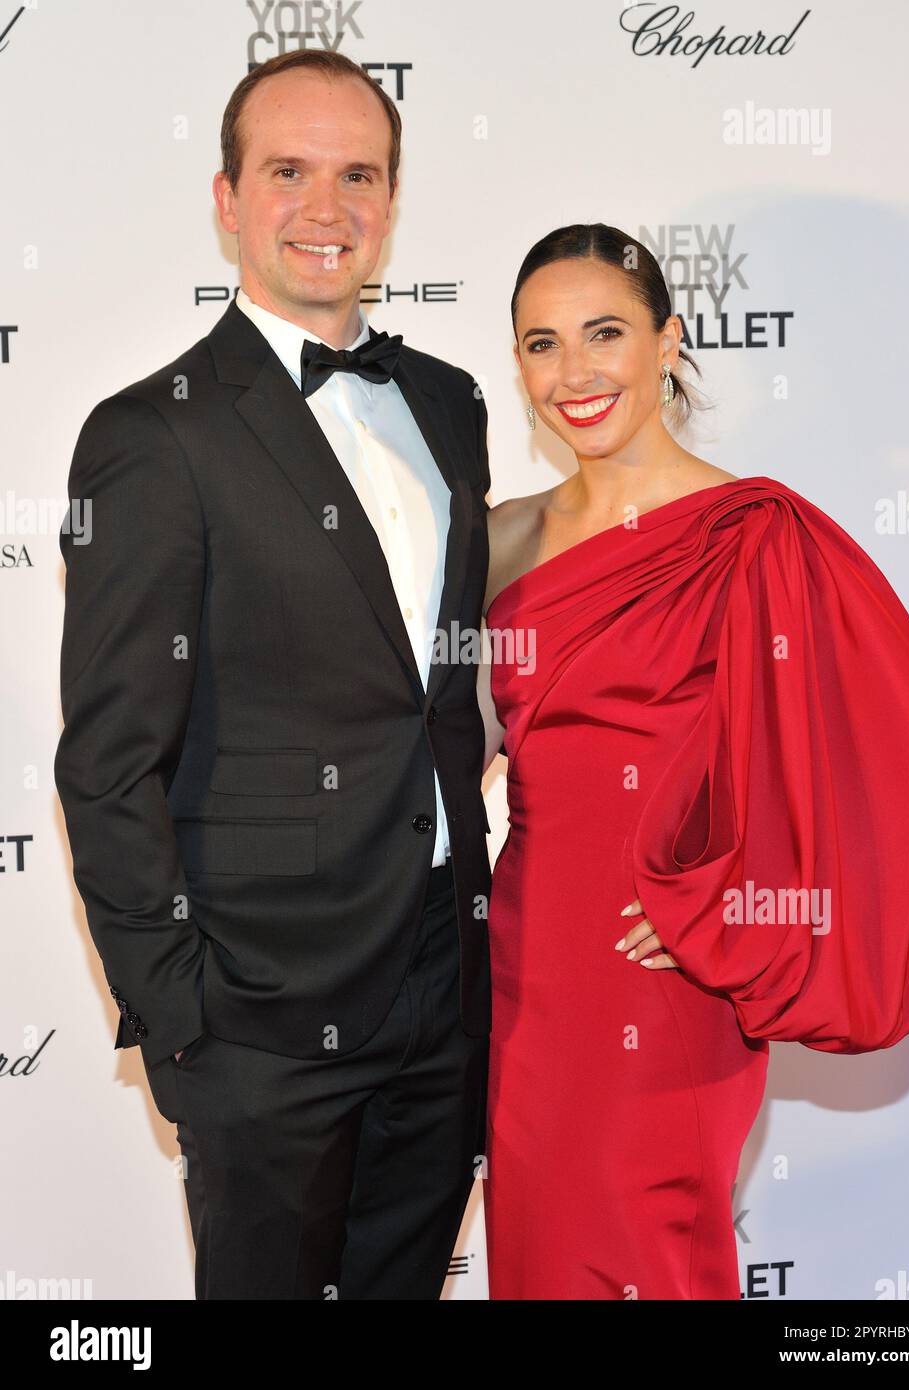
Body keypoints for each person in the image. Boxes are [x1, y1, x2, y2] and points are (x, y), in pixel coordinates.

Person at [54, 49, 492, 1300]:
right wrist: (185, 1010)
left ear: (394, 203)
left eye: (359, 174)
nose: (327, 207)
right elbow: (107, 759)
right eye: (289, 171)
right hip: (257, 1006)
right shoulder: (154, 433)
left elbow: (440, 692)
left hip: (441, 982)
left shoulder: (450, 405)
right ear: (227, 199)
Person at [476, 222, 909, 1300]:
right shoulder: (499, 538)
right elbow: (445, 760)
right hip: (521, 969)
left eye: (604, 334)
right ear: (516, 366)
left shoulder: (753, 535)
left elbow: (888, 781)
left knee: (639, 1251)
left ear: (667, 343)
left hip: (664, 983)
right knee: (538, 1254)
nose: (574, 372)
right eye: (542, 343)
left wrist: (740, 908)